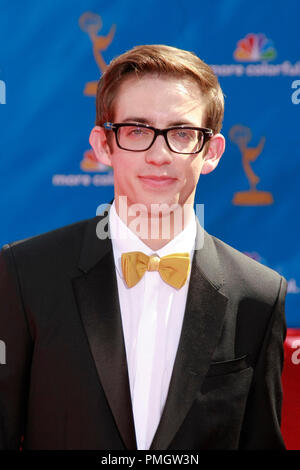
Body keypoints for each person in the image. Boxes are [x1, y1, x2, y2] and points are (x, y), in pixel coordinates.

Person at [0, 44, 287, 451]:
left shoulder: (258, 294)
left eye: (182, 133)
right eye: (137, 130)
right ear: (103, 145)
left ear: (212, 152)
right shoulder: (26, 273)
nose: (159, 154)